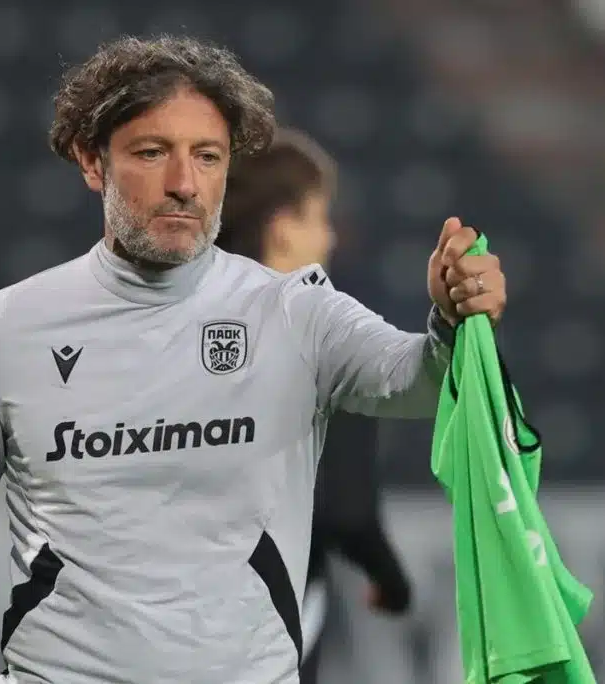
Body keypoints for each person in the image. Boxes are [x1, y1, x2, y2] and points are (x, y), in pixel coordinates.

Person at [0, 35, 507, 684]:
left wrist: (453, 322)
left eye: (207, 157)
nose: (184, 184)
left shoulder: (294, 312)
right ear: (92, 161)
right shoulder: (13, 326)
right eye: (152, 153)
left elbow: (421, 381)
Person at [215, 128, 412, 684]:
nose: (329, 238)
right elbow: (346, 508)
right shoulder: (326, 340)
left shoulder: (168, 330)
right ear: (282, 228)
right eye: (319, 218)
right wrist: (388, 576)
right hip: (273, 615)